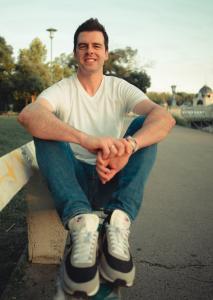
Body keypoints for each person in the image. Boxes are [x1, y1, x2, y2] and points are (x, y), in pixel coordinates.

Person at [18, 18, 175, 297]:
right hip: (72, 183)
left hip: (110, 177)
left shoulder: (119, 88)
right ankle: (81, 221)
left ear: (105, 53)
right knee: (44, 126)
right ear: (76, 52)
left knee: (147, 126)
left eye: (96, 45)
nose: (89, 50)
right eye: (83, 46)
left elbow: (164, 118)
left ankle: (120, 219)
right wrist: (85, 139)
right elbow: (29, 115)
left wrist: (127, 148)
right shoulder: (63, 89)